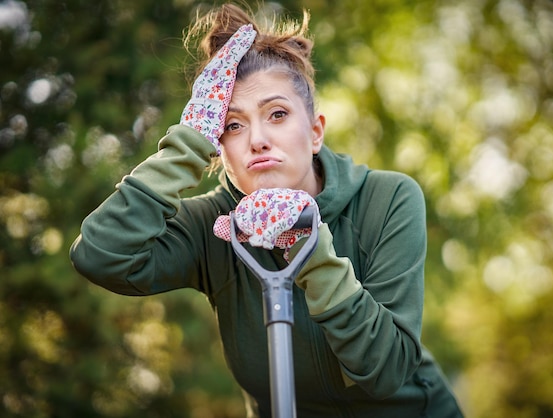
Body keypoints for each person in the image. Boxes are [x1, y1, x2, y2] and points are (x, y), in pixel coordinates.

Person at [70, 3, 464, 417]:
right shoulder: (216, 226)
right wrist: (186, 145)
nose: (257, 139)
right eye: (232, 126)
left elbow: (388, 369)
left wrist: (310, 250)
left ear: (315, 132)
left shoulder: (388, 198)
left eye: (277, 114)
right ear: (217, 147)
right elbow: (100, 255)